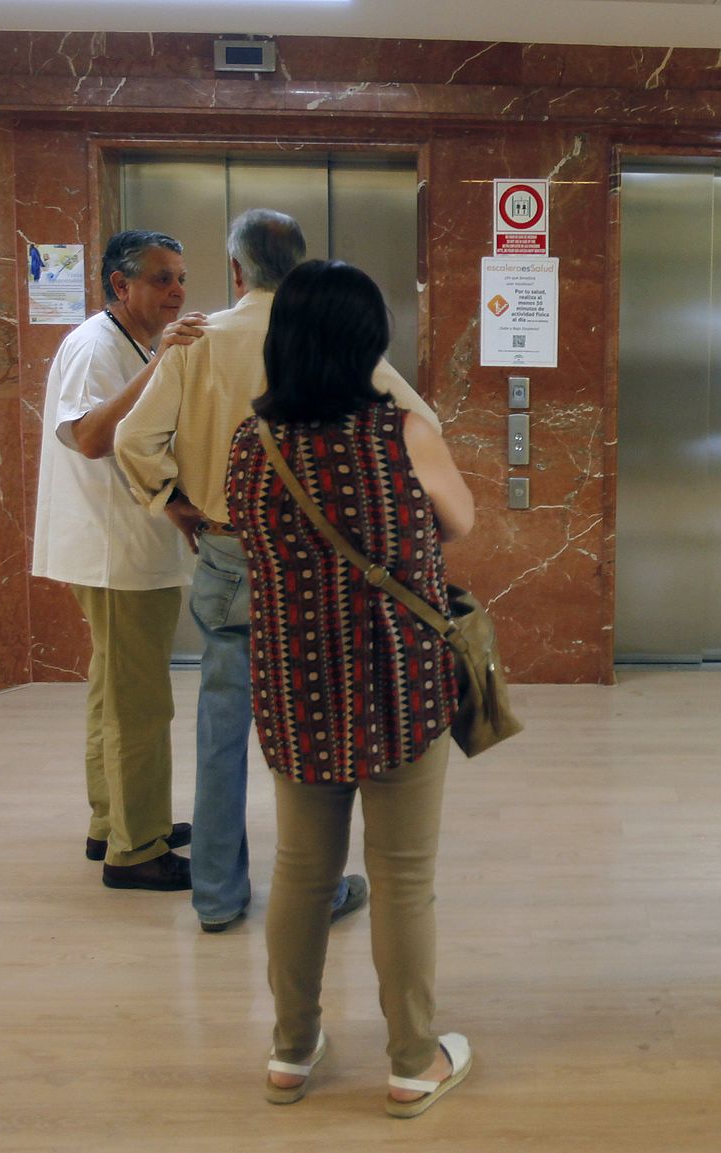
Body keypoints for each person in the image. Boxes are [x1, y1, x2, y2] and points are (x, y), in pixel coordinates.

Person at [114, 209, 443, 933]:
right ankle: (319, 893)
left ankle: (217, 897)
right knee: (315, 725)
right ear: (300, 266)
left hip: (229, 551)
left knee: (221, 725)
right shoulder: (330, 340)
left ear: (235, 272)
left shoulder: (197, 341)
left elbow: (134, 439)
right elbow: (423, 425)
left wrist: (175, 503)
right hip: (319, 566)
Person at [225, 260, 475, 1116]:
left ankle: (291, 1051)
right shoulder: (401, 433)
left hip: (296, 681)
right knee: (403, 876)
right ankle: (412, 1061)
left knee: (301, 871)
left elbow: (248, 542)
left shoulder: (250, 444)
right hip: (398, 678)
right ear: (372, 342)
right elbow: (461, 521)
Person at [31, 230, 207, 890]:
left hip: (126, 542)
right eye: (162, 278)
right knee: (139, 703)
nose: (177, 290)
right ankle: (138, 850)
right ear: (119, 285)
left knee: (114, 691)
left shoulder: (128, 343)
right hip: (112, 552)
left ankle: (115, 822)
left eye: (181, 277)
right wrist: (160, 361)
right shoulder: (93, 345)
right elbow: (91, 436)